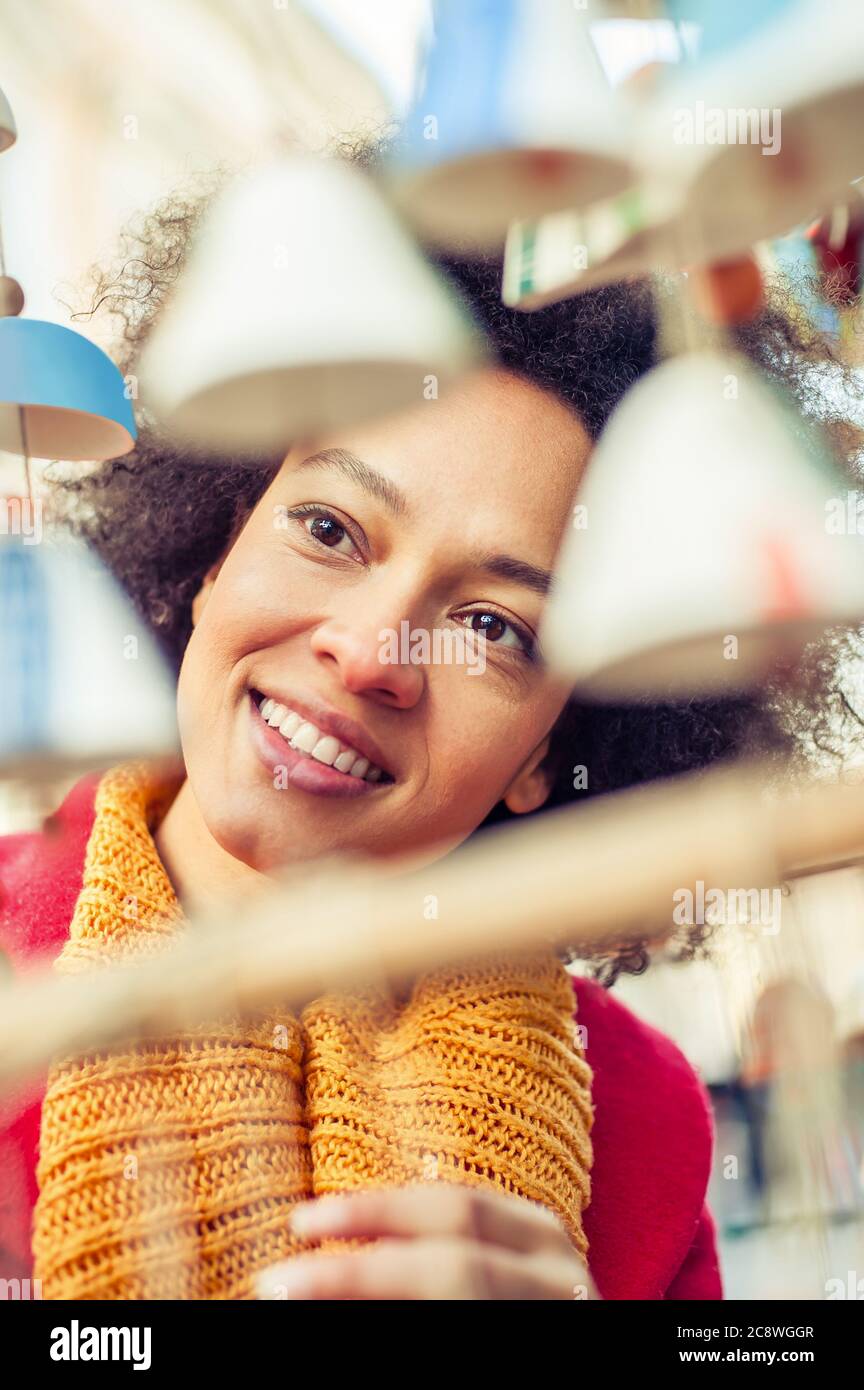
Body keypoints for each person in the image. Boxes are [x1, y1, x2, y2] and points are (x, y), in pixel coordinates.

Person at [0, 146, 858, 1301]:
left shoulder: (645, 1122)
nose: (369, 654)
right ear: (213, 549)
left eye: (497, 629)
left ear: (550, 749)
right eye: (329, 529)